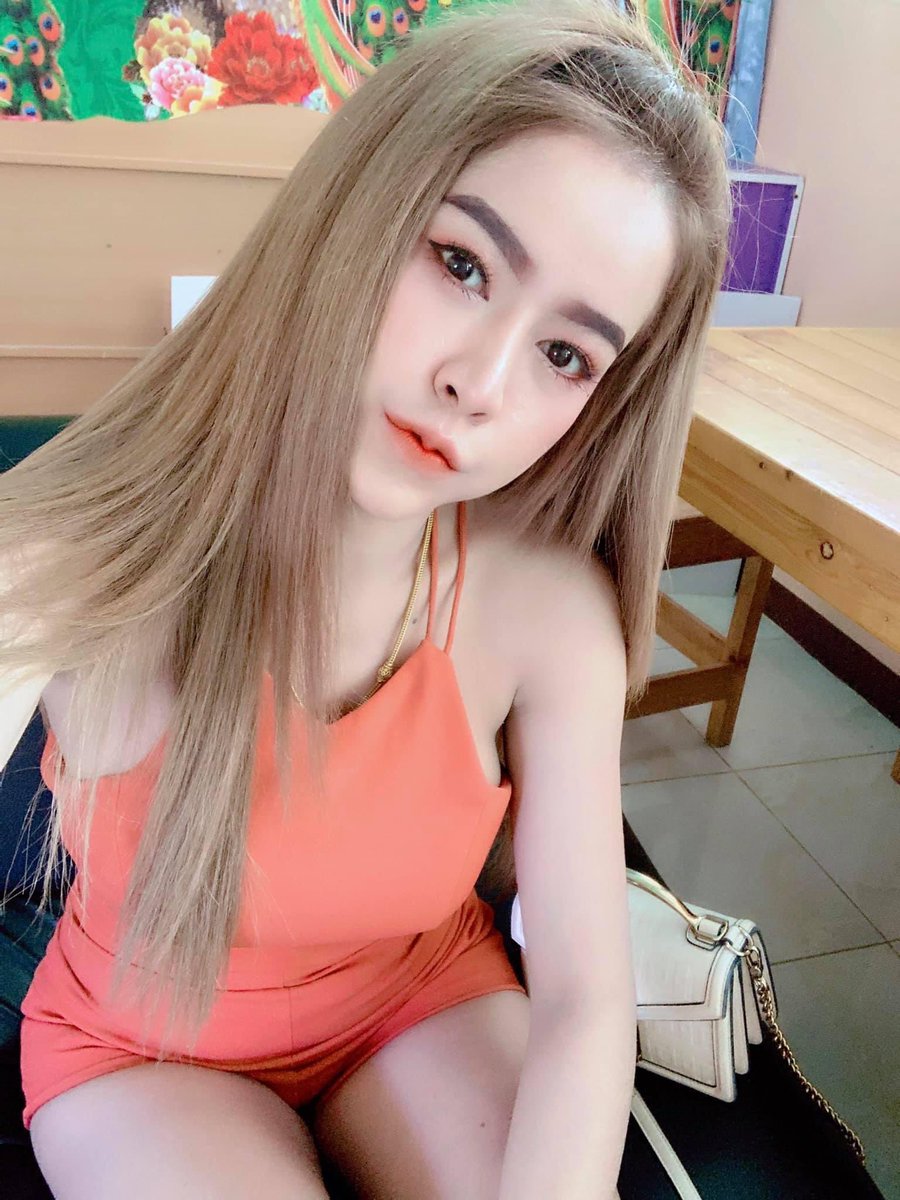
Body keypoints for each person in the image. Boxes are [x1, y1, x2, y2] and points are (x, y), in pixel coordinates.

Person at [0, 0, 733, 1195]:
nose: (479, 383)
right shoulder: (64, 549)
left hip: (418, 996)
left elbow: (587, 996)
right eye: (461, 263)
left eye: (566, 354)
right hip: (140, 1049)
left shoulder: (549, 615)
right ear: (354, 210)